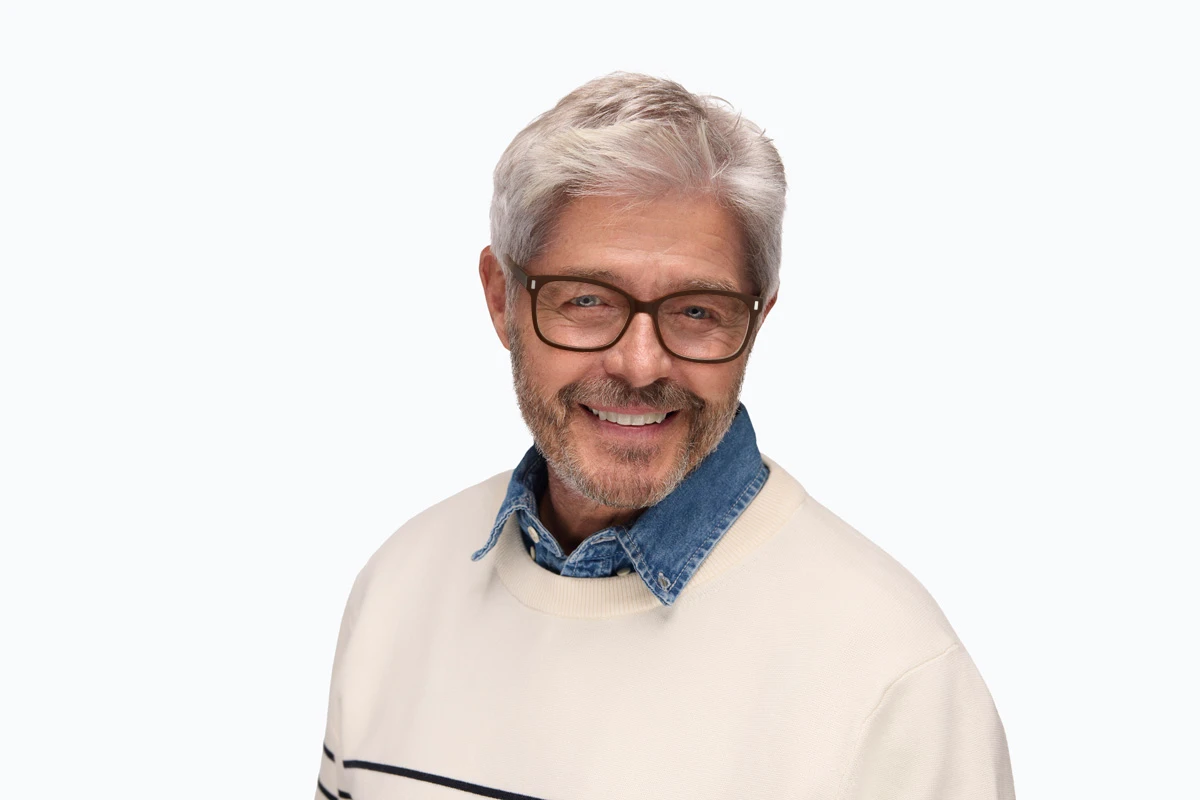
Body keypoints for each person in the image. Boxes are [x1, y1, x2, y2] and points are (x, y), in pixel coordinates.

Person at [314, 73, 1015, 800]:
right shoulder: (397, 589)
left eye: (697, 311)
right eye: (589, 299)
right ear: (501, 299)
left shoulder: (896, 680)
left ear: (757, 321)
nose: (641, 364)